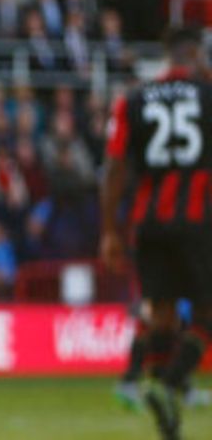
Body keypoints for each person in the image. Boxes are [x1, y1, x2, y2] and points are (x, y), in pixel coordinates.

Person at [102, 28, 212, 440]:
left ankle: (155, 394)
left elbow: (114, 168)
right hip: (198, 220)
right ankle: (169, 384)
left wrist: (110, 229)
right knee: (207, 313)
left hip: (147, 223)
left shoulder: (132, 99)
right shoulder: (207, 94)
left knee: (160, 315)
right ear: (195, 53)